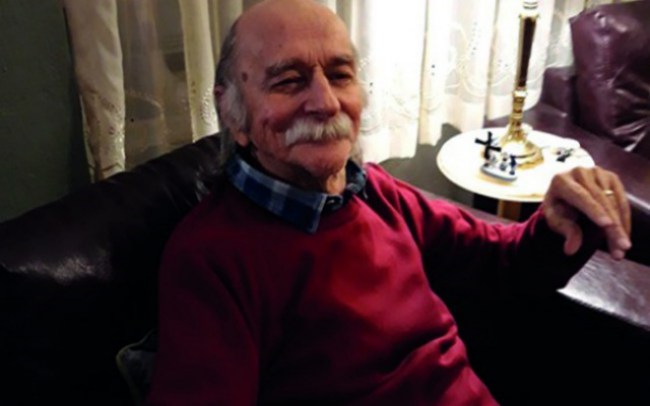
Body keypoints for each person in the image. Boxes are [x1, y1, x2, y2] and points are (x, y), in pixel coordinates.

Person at [146, 0, 632, 404]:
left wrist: (557, 223)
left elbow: (501, 263)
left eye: (339, 75)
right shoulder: (210, 259)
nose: (326, 102)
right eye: (289, 80)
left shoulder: (373, 191)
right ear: (233, 112)